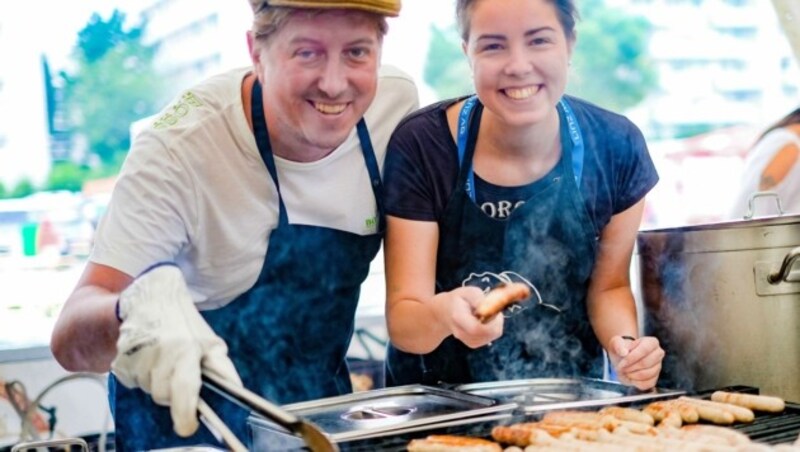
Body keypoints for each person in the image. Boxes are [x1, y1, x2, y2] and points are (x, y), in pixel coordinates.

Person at [49, 0, 418, 449]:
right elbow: (69, 341)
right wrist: (131, 310)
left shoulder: (393, 107)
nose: (335, 84)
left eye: (357, 52)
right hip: (184, 435)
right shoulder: (178, 150)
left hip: (312, 426)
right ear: (256, 52)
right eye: (307, 53)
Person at [382, 0, 665, 391]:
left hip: (566, 407)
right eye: (493, 46)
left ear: (569, 43)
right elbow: (404, 320)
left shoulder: (616, 146)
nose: (518, 66)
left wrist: (627, 350)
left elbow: (610, 288)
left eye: (539, 41)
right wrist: (443, 313)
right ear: (468, 52)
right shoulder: (423, 146)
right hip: (437, 410)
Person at [729, 106, 800, 219]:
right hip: (758, 232)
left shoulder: (781, 138)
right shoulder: (789, 145)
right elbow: (763, 196)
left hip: (756, 230)